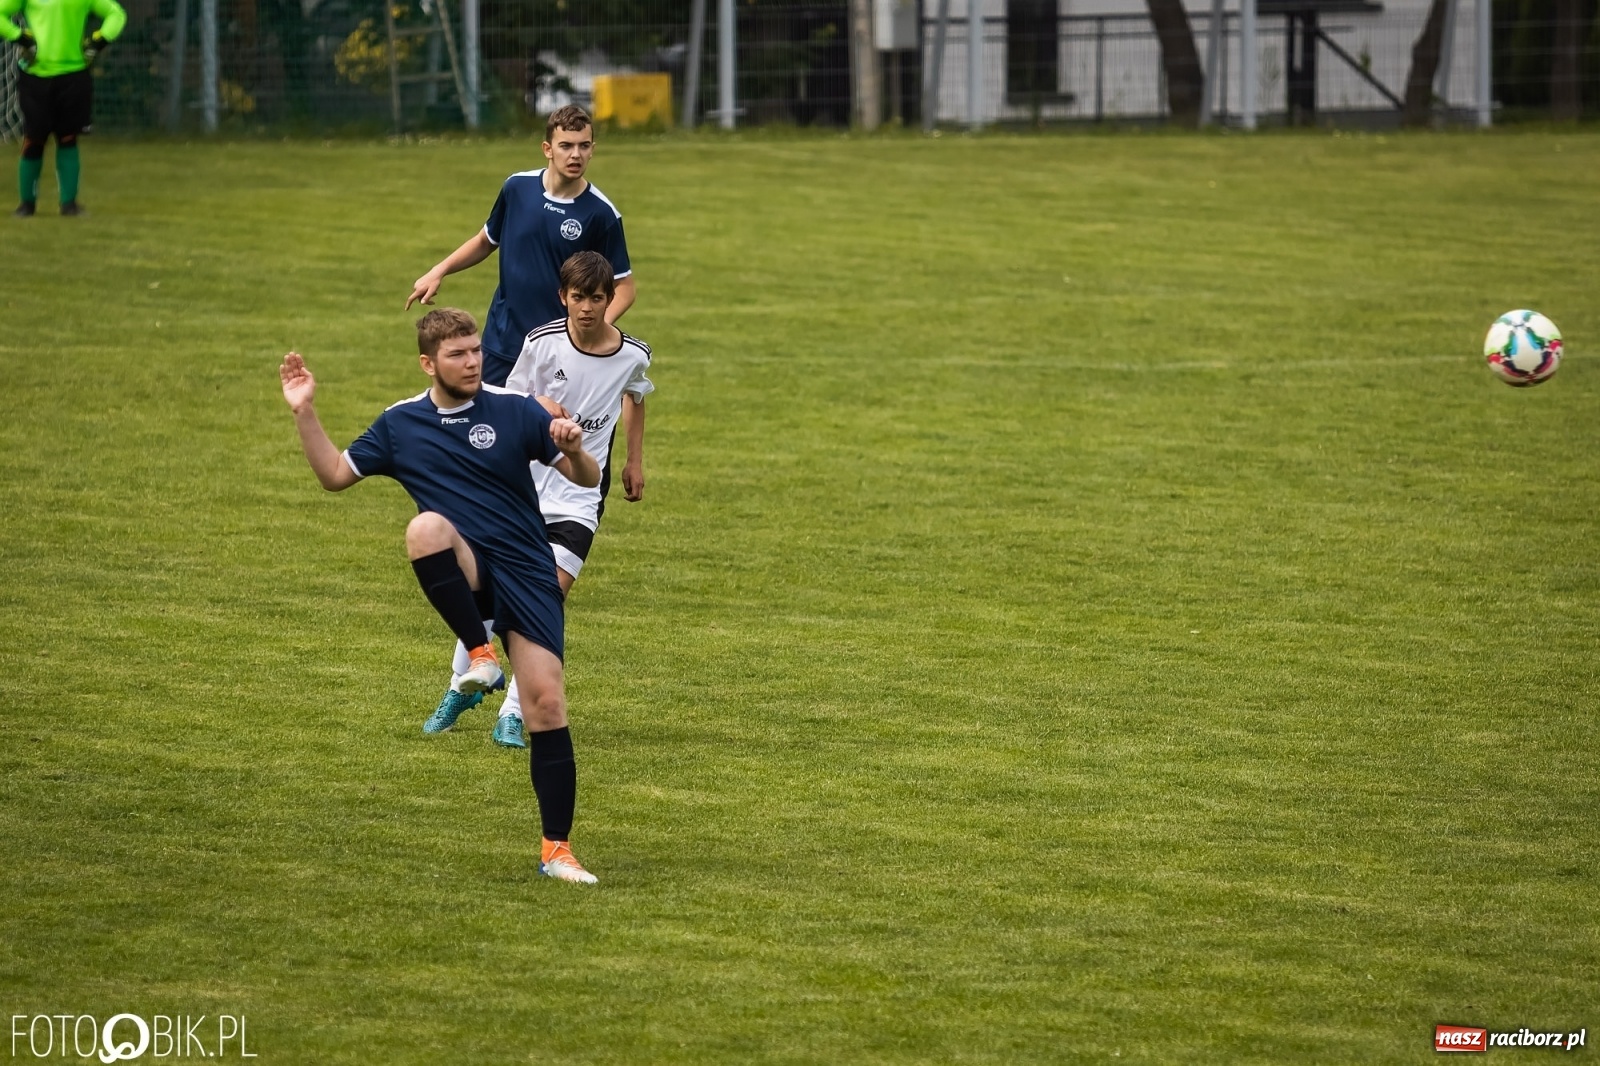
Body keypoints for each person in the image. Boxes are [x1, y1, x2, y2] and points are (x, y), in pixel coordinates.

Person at [278, 307, 603, 884]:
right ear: (429, 363)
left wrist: (576, 449)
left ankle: (557, 850)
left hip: (529, 571)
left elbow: (584, 480)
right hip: (468, 566)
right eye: (457, 354)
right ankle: (480, 656)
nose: (473, 361)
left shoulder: (514, 409)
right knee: (425, 528)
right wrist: (305, 411)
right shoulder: (401, 424)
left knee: (546, 707)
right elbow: (334, 474)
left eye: (476, 350)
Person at [425, 250, 653, 748]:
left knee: (545, 598)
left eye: (597, 298)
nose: (587, 307)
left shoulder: (634, 354)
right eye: (578, 297)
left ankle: (513, 713)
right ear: (563, 298)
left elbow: (636, 395)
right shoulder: (541, 343)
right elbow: (504, 401)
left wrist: (634, 460)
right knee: (486, 593)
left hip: (578, 495)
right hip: (522, 487)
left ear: (610, 299)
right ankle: (460, 686)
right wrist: (539, 405)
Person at [405, 104, 636, 387]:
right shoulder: (517, 188)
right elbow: (486, 240)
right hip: (502, 340)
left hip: (558, 350)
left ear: (592, 149)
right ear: (547, 149)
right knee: (490, 424)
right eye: (566, 146)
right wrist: (438, 271)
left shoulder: (601, 213)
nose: (576, 155)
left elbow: (624, 287)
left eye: (583, 146)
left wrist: (590, 333)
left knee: (549, 429)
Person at [2, 0, 124, 217]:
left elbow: (116, 14)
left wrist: (99, 41)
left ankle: (69, 204)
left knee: (68, 138)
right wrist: (19, 36)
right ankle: (26, 205)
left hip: (74, 75)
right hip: (35, 76)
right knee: (34, 139)